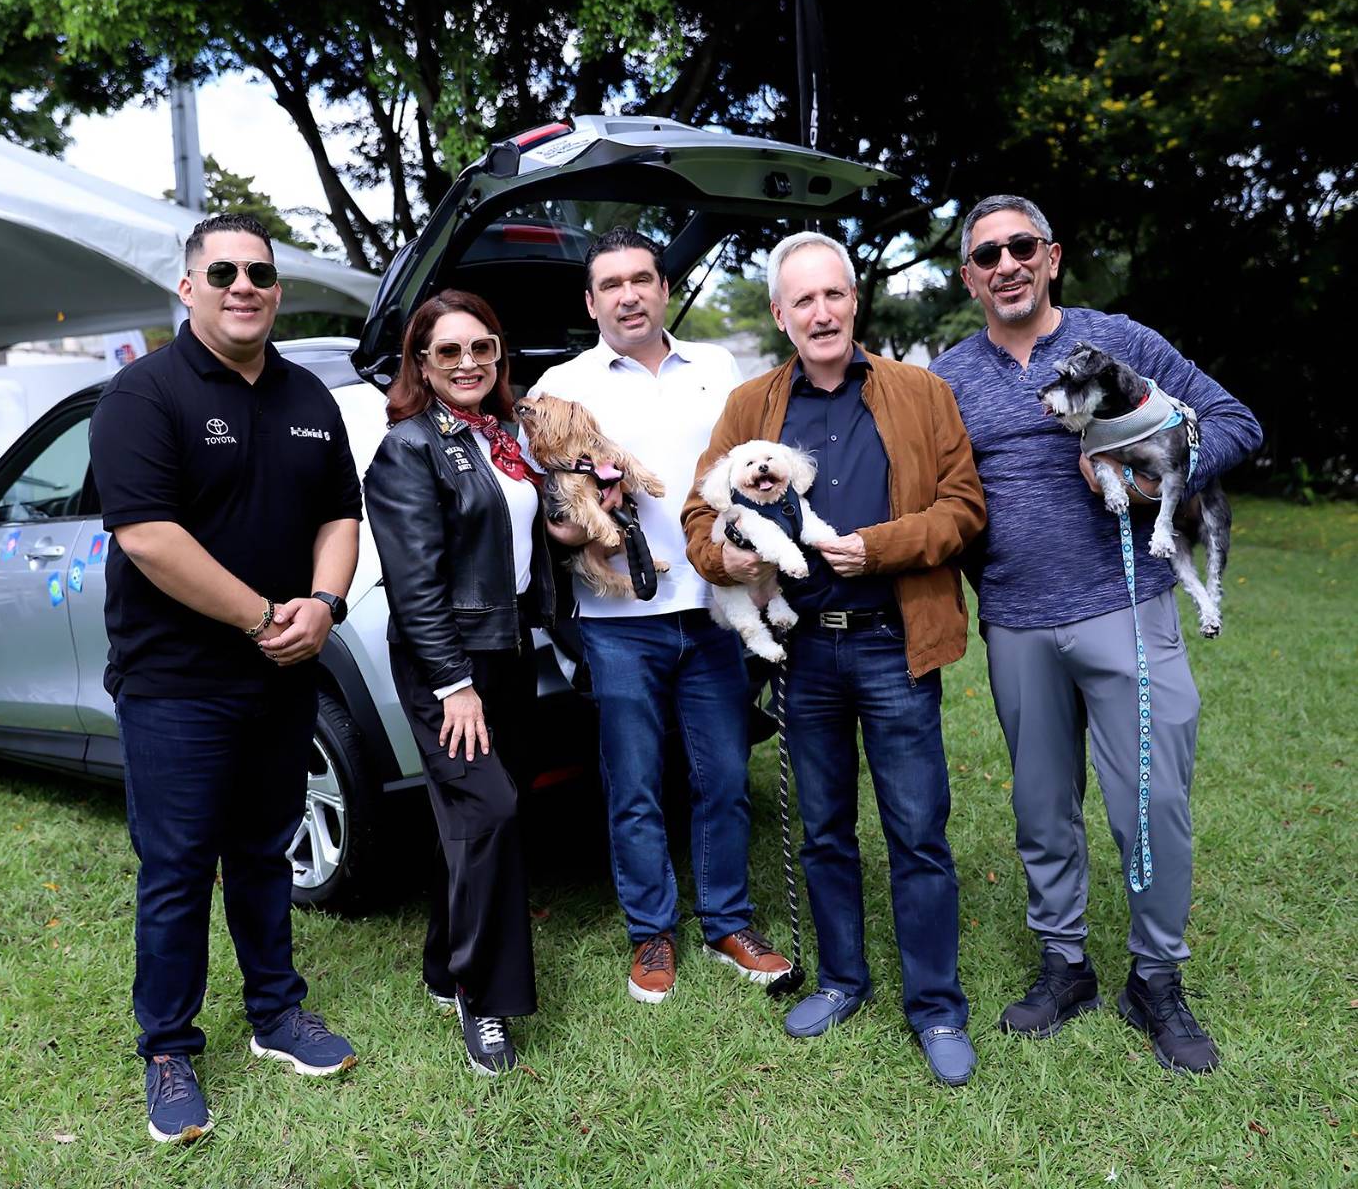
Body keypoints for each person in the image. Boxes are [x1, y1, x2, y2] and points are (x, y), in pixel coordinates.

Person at [930, 195, 1262, 1074]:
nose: (1005, 263)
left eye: (1020, 247)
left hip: (1126, 605)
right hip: (1015, 623)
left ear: (1051, 257)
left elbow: (1233, 421)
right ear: (968, 276)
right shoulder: (946, 376)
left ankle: (1154, 979)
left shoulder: (1121, 343)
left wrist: (1156, 478)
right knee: (1042, 811)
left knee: (1150, 803)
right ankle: (1064, 965)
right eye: (986, 254)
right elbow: (930, 492)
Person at [683, 232, 986, 1085]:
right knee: (822, 832)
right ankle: (845, 981)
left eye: (833, 295)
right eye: (801, 300)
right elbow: (700, 518)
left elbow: (964, 507)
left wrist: (880, 547)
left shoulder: (919, 393)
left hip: (894, 643)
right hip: (802, 654)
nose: (820, 312)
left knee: (917, 833)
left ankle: (934, 1007)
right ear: (780, 315)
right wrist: (730, 562)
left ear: (855, 303)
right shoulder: (751, 405)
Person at [89, 213, 363, 1143]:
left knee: (264, 848)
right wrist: (261, 618)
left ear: (275, 288)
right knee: (176, 866)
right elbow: (149, 538)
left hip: (284, 668)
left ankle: (276, 1015)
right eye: (224, 271)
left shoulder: (307, 396)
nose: (243, 285)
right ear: (188, 287)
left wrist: (322, 605)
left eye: (259, 272)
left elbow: (339, 516)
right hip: (177, 681)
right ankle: (168, 1046)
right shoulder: (143, 394)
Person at [531, 226, 792, 1005]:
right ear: (590, 301)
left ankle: (726, 923)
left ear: (663, 288)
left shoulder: (716, 366)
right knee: (634, 784)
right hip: (618, 622)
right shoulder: (562, 385)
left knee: (721, 778)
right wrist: (588, 516)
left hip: (714, 608)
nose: (628, 295)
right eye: (610, 284)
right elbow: (549, 520)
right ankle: (651, 935)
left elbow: (751, 471)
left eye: (641, 279)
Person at [363, 290, 552, 1076]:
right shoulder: (408, 449)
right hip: (447, 664)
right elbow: (413, 583)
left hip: (505, 648)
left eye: (483, 347)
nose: (469, 363)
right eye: (448, 352)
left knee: (473, 818)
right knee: (491, 808)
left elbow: (513, 538)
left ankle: (445, 964)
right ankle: (484, 998)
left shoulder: (501, 440)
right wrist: (451, 684)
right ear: (420, 363)